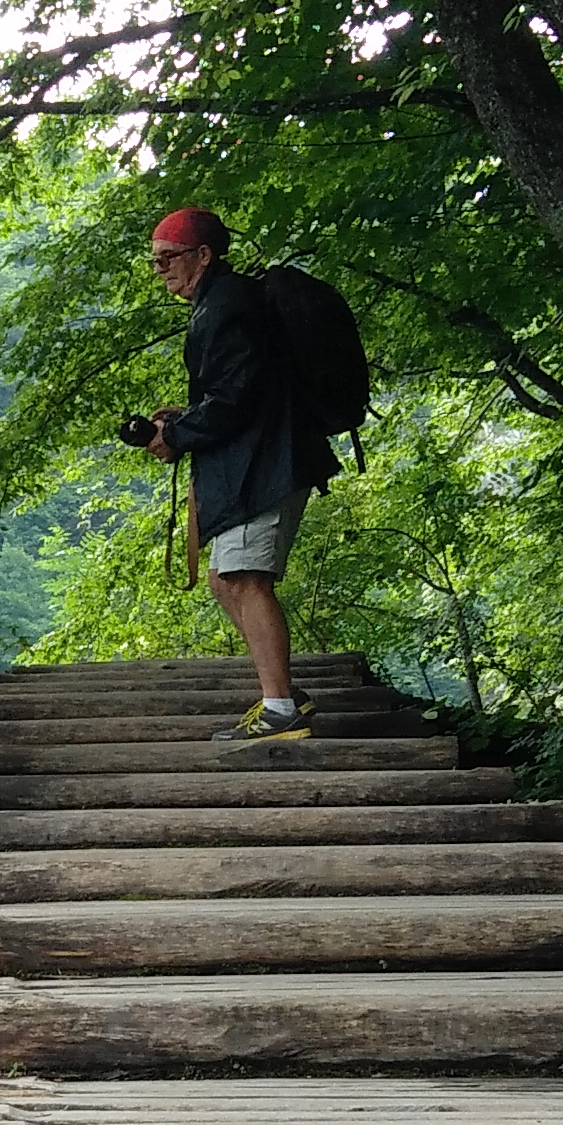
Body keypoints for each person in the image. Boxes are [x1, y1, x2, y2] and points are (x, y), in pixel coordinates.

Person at [144, 206, 338, 739]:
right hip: (264, 460)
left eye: (169, 258)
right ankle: (284, 694)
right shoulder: (227, 301)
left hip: (265, 465)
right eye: (156, 262)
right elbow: (243, 390)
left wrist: (177, 436)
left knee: (244, 578)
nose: (161, 270)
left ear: (203, 255)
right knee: (224, 579)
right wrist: (185, 418)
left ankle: (280, 712)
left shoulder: (226, 304)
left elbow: (236, 399)